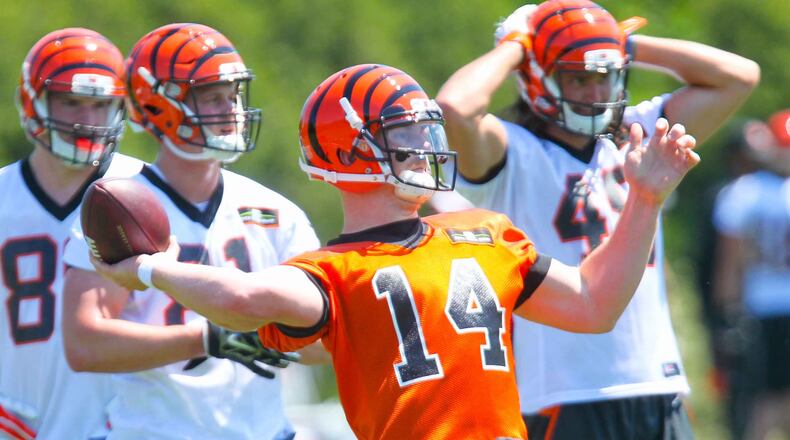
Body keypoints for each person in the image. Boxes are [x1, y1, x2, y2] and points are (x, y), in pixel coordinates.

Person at [90, 63, 699, 440]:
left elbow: (596, 304)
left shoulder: (486, 231)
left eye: (425, 131)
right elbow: (247, 297)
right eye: (407, 135)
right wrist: (150, 269)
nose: (427, 147)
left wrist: (643, 199)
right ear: (350, 151)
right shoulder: (336, 270)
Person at [435, 0, 760, 437]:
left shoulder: (638, 132)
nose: (596, 93)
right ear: (537, 77)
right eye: (579, 77)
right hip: (561, 393)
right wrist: (518, 46)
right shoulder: (513, 151)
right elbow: (455, 107)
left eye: (605, 76)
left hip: (654, 382)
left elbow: (739, 76)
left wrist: (620, 41)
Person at [61, 23, 319, 439]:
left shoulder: (277, 212)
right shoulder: (115, 208)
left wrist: (289, 330)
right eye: (213, 96)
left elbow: (326, 343)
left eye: (233, 95)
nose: (232, 109)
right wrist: (205, 338)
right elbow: (85, 344)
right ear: (161, 104)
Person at [0, 28, 141, 439]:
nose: (87, 118)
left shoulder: (146, 190)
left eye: (100, 104)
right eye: (70, 101)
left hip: (134, 424)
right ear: (34, 102)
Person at [711, 109, 790, 440]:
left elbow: (731, 264)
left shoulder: (743, 191)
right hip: (766, 308)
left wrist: (726, 314)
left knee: (764, 402)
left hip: (761, 305)